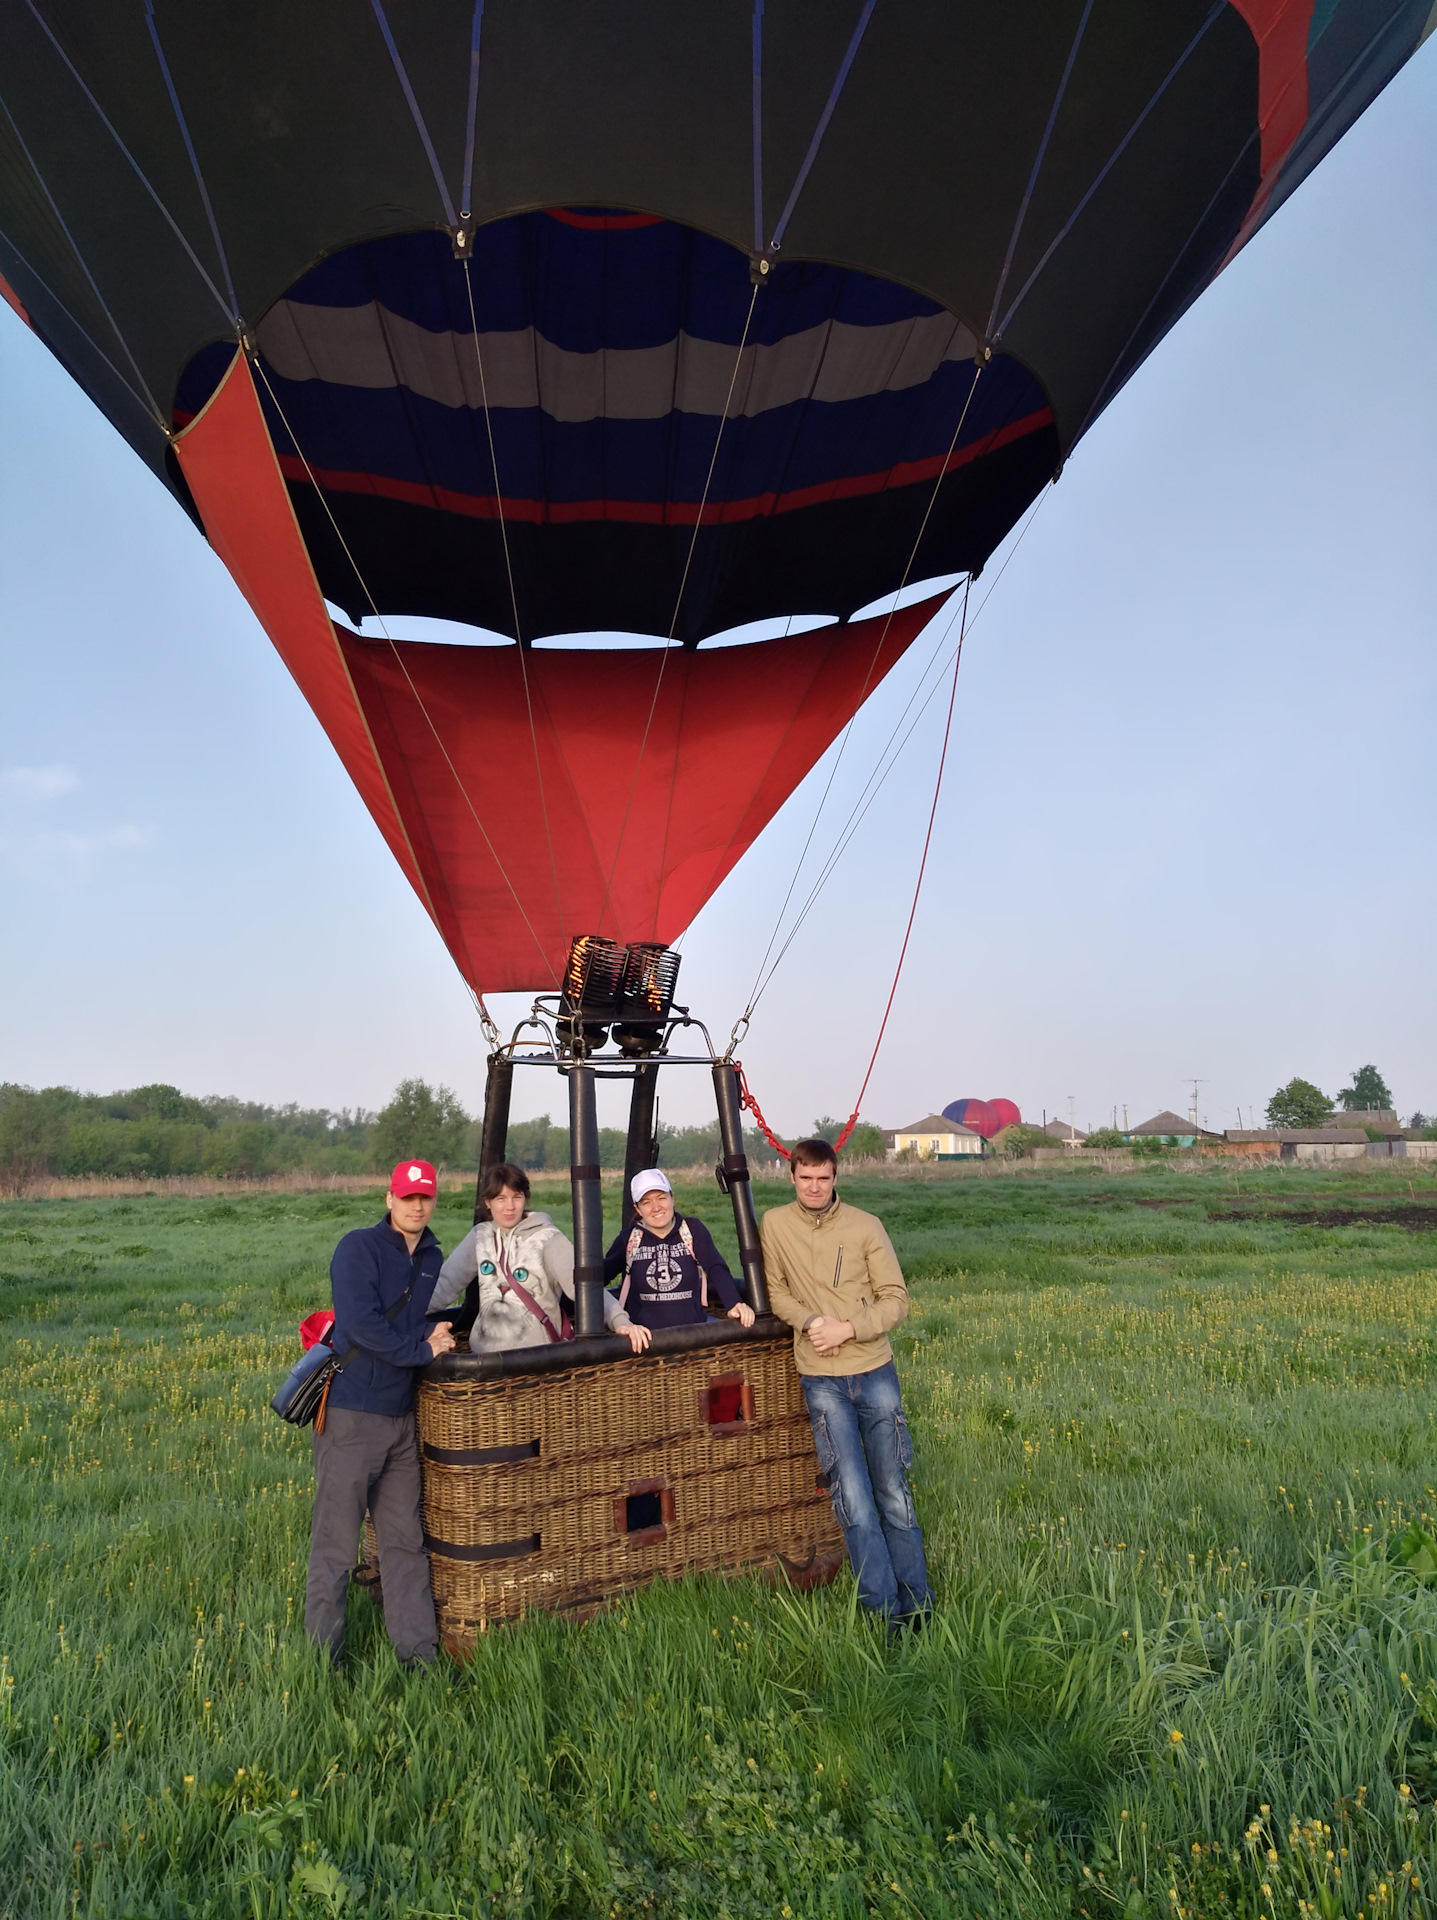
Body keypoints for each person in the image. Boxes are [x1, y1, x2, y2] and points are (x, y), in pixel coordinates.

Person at [759, 1138, 932, 1630]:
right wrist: (814, 1322)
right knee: (852, 1497)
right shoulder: (775, 1224)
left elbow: (896, 1299)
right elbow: (777, 1292)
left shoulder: (865, 1226)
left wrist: (848, 1329)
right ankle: (883, 1610)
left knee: (892, 1490)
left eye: (823, 1178)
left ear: (836, 1178)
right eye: (805, 1178)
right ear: (791, 1177)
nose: (814, 1187)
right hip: (822, 1380)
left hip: (873, 1370)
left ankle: (918, 1602)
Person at [305, 1159, 456, 1671]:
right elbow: (362, 1326)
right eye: (407, 1197)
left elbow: (424, 1318)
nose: (417, 1206)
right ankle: (324, 1661)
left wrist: (444, 1335)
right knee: (336, 1545)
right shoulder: (358, 1248)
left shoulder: (432, 1254)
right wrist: (424, 1350)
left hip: (400, 1418)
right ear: (389, 1199)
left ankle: (418, 1657)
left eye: (425, 1197)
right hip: (352, 1414)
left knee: (404, 1543)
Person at [428, 1162, 649, 1354]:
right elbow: (446, 1285)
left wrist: (620, 1321)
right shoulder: (480, 1237)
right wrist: (400, 1316)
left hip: (534, 1359)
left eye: (517, 1197)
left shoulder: (546, 1238)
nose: (510, 1207)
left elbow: (585, 1287)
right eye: (500, 1198)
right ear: (488, 1202)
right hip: (486, 1359)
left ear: (526, 1197)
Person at [604, 1168, 756, 1334]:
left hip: (694, 1332)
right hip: (646, 1338)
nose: (656, 1207)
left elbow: (715, 1267)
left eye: (661, 1198)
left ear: (672, 1198)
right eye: (646, 1202)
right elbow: (601, 1277)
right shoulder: (629, 1239)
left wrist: (734, 1303)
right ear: (638, 1209)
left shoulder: (692, 1230)